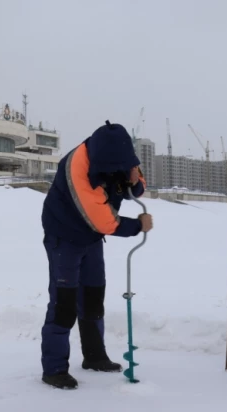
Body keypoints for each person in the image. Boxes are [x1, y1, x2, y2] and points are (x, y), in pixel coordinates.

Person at [40, 120, 153, 389]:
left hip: (90, 238)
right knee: (64, 302)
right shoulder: (77, 168)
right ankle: (54, 368)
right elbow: (103, 220)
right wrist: (137, 226)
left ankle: (94, 356)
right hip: (64, 236)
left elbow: (130, 187)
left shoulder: (118, 155)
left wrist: (134, 182)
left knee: (93, 295)